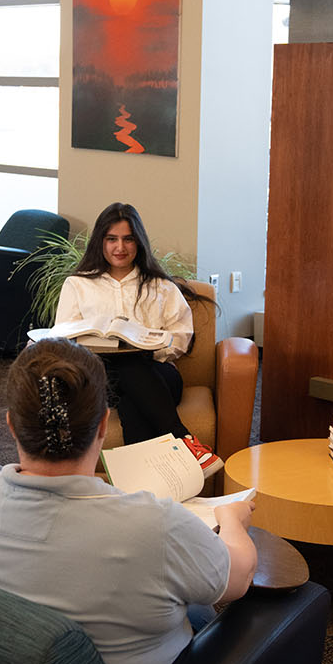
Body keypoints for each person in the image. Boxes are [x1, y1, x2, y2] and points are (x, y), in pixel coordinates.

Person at [0, 338, 257, 664]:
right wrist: (231, 519)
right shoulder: (153, 525)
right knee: (204, 600)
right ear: (103, 424)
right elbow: (240, 577)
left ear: (11, 425)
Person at [54, 202, 222, 475]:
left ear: (138, 242)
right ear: (101, 241)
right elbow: (65, 338)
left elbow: (180, 337)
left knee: (133, 370)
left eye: (128, 239)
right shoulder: (78, 285)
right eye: (112, 239)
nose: (120, 247)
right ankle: (184, 444)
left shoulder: (161, 286)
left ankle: (137, 482)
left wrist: (148, 347)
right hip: (102, 379)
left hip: (160, 375)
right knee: (130, 388)